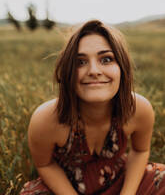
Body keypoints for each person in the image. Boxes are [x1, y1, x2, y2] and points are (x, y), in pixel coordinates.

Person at [20, 20, 165, 195]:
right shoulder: (46, 118)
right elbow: (45, 164)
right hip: (66, 187)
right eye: (80, 62)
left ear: (122, 67)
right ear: (67, 71)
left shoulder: (138, 109)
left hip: (119, 180)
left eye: (106, 59)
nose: (94, 70)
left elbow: (140, 150)